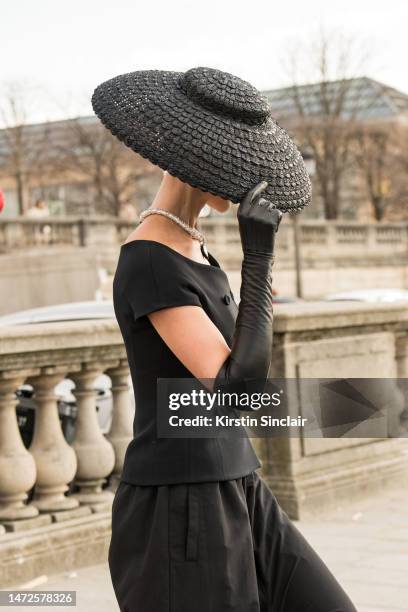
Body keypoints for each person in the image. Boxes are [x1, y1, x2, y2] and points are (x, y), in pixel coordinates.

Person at [92, 67, 357, 612]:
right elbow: (237, 388)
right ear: (194, 162)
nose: (243, 180)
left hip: (237, 479)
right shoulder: (149, 260)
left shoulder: (195, 250)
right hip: (182, 502)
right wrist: (258, 257)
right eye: (230, 163)